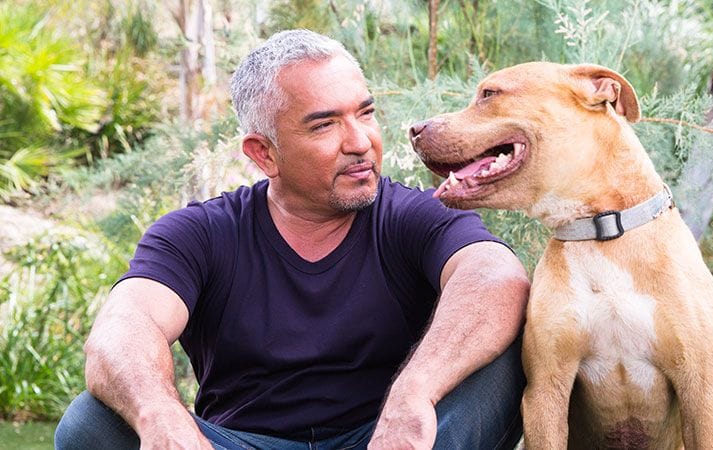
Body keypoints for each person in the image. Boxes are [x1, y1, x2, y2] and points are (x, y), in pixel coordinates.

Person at [54, 29, 529, 450]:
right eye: (325, 125)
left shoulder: (410, 214)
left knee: (503, 366)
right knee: (88, 424)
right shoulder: (197, 234)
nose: (360, 141)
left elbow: (495, 276)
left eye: (365, 114)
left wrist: (414, 394)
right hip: (238, 443)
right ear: (264, 154)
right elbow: (124, 328)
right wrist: (160, 417)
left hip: (391, 437)